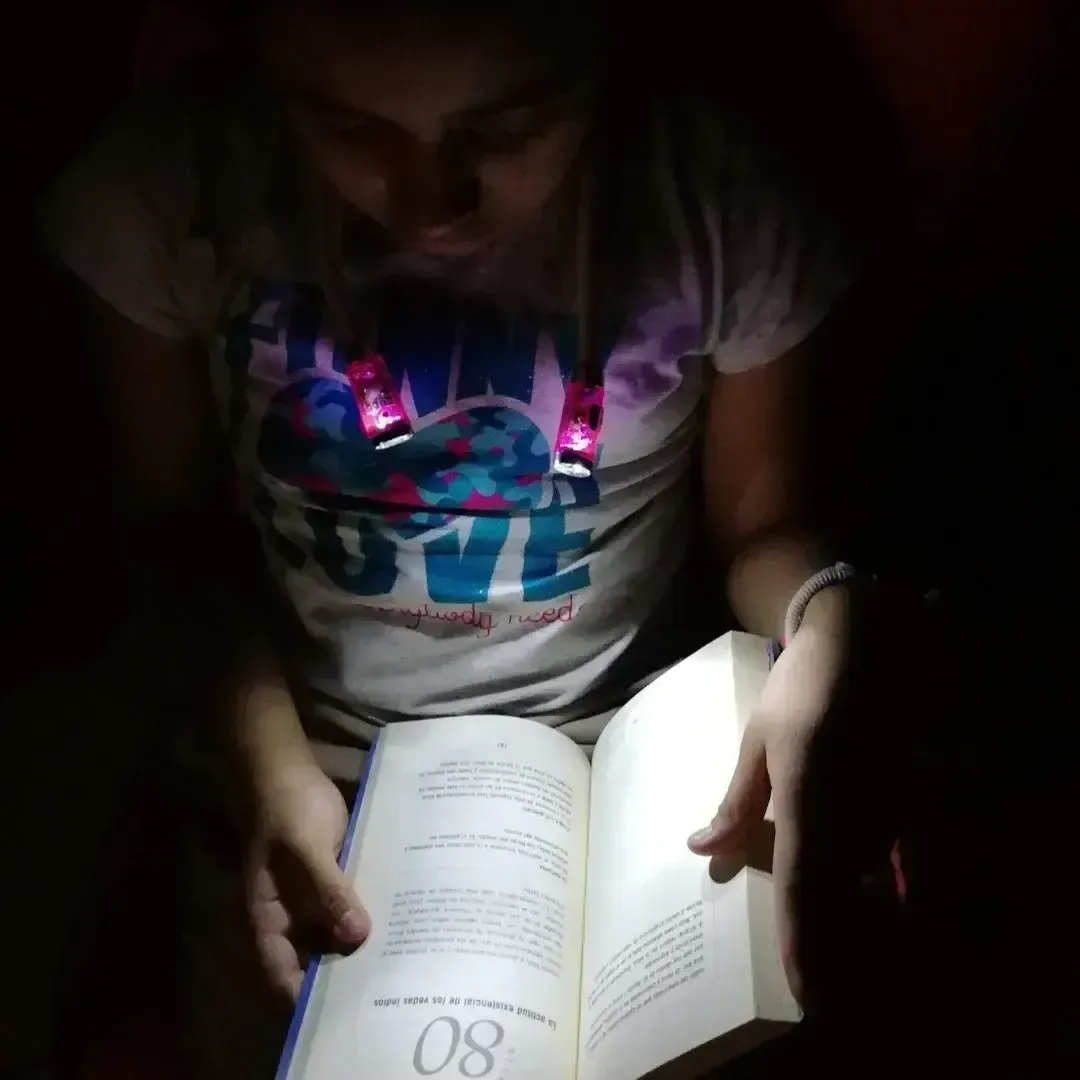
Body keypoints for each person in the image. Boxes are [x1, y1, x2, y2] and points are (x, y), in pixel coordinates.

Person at [40, 0, 877, 1016]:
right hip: (303, 769)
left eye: (508, 127)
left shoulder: (717, 194)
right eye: (351, 129)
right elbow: (171, 528)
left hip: (629, 775)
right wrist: (269, 766)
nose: (430, 200)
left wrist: (824, 624)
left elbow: (762, 528)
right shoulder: (173, 183)